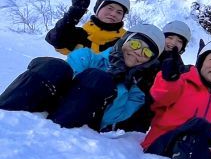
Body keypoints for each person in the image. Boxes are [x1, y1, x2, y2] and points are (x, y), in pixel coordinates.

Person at [0, 24, 163, 131]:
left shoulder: (136, 94)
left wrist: (118, 84)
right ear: (124, 42)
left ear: (149, 61)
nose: (137, 52)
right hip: (53, 103)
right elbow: (63, 81)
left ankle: (57, 132)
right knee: (55, 66)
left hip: (78, 124)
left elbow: (108, 118)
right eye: (135, 44)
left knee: (99, 79)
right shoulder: (87, 56)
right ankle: (6, 116)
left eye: (147, 52)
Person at [46, 0, 130, 54]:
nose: (113, 14)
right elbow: (56, 39)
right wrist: (73, 14)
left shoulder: (126, 40)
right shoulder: (81, 34)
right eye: (109, 8)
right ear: (98, 9)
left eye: (119, 12)